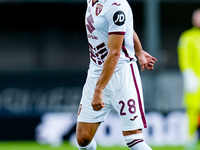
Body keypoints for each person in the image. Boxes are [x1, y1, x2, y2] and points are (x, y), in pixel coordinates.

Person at [76, 0, 157, 149]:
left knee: (134, 139)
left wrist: (98, 90)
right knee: (83, 139)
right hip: (96, 71)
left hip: (122, 73)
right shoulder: (92, 1)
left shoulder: (116, 6)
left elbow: (114, 54)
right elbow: (126, 28)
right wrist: (139, 51)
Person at [177, 8, 200, 149]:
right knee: (193, 109)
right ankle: (190, 140)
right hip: (195, 81)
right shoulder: (187, 37)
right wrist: (188, 74)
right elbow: (184, 57)